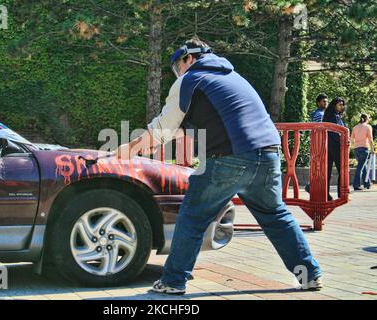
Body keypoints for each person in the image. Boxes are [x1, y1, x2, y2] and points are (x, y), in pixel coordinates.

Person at [114, 37, 322, 294]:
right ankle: (309, 275)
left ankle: (173, 281)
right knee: (276, 216)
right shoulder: (233, 78)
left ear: (188, 58)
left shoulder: (190, 79)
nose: (177, 72)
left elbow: (162, 127)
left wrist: (130, 148)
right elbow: (193, 126)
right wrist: (156, 141)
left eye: (177, 65)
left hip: (230, 157)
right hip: (268, 154)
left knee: (192, 216)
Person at [322, 97, 347, 200]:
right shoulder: (334, 116)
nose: (341, 106)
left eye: (342, 105)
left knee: (328, 171)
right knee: (342, 170)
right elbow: (336, 132)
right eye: (339, 104)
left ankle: (326, 195)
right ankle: (341, 194)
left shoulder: (333, 115)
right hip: (335, 146)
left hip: (329, 146)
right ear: (334, 105)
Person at [305, 94, 329, 192]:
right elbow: (321, 129)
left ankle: (313, 186)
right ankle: (311, 186)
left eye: (326, 101)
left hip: (317, 142)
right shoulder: (320, 114)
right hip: (320, 143)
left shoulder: (318, 113)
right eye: (324, 101)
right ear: (318, 103)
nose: (326, 103)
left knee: (319, 166)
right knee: (321, 165)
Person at [351, 114, 374, 190]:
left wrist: (354, 146)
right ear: (367, 119)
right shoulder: (368, 127)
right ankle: (355, 184)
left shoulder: (355, 127)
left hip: (356, 149)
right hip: (364, 148)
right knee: (360, 167)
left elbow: (352, 139)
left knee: (362, 166)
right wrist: (372, 149)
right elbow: (370, 139)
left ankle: (366, 183)